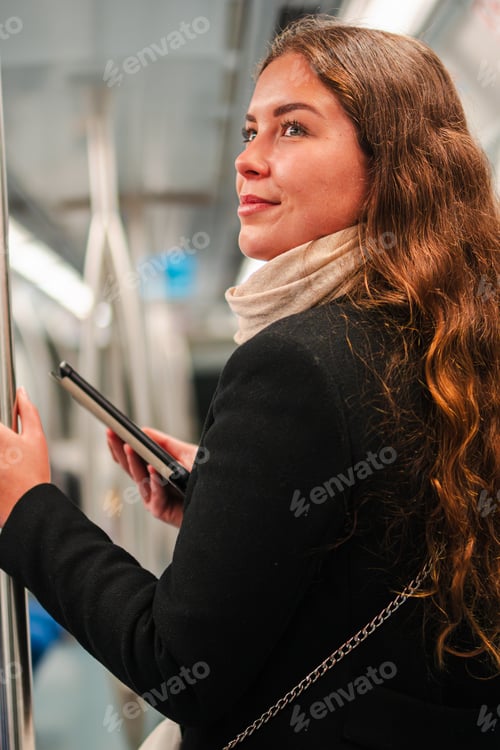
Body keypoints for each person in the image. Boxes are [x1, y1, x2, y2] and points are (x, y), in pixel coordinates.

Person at [0, 14, 499, 749]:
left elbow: (179, 664)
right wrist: (231, 501)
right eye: (249, 131)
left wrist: (30, 510)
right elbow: (378, 562)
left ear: (388, 160)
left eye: (292, 130)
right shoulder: (447, 338)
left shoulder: (294, 360)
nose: (249, 160)